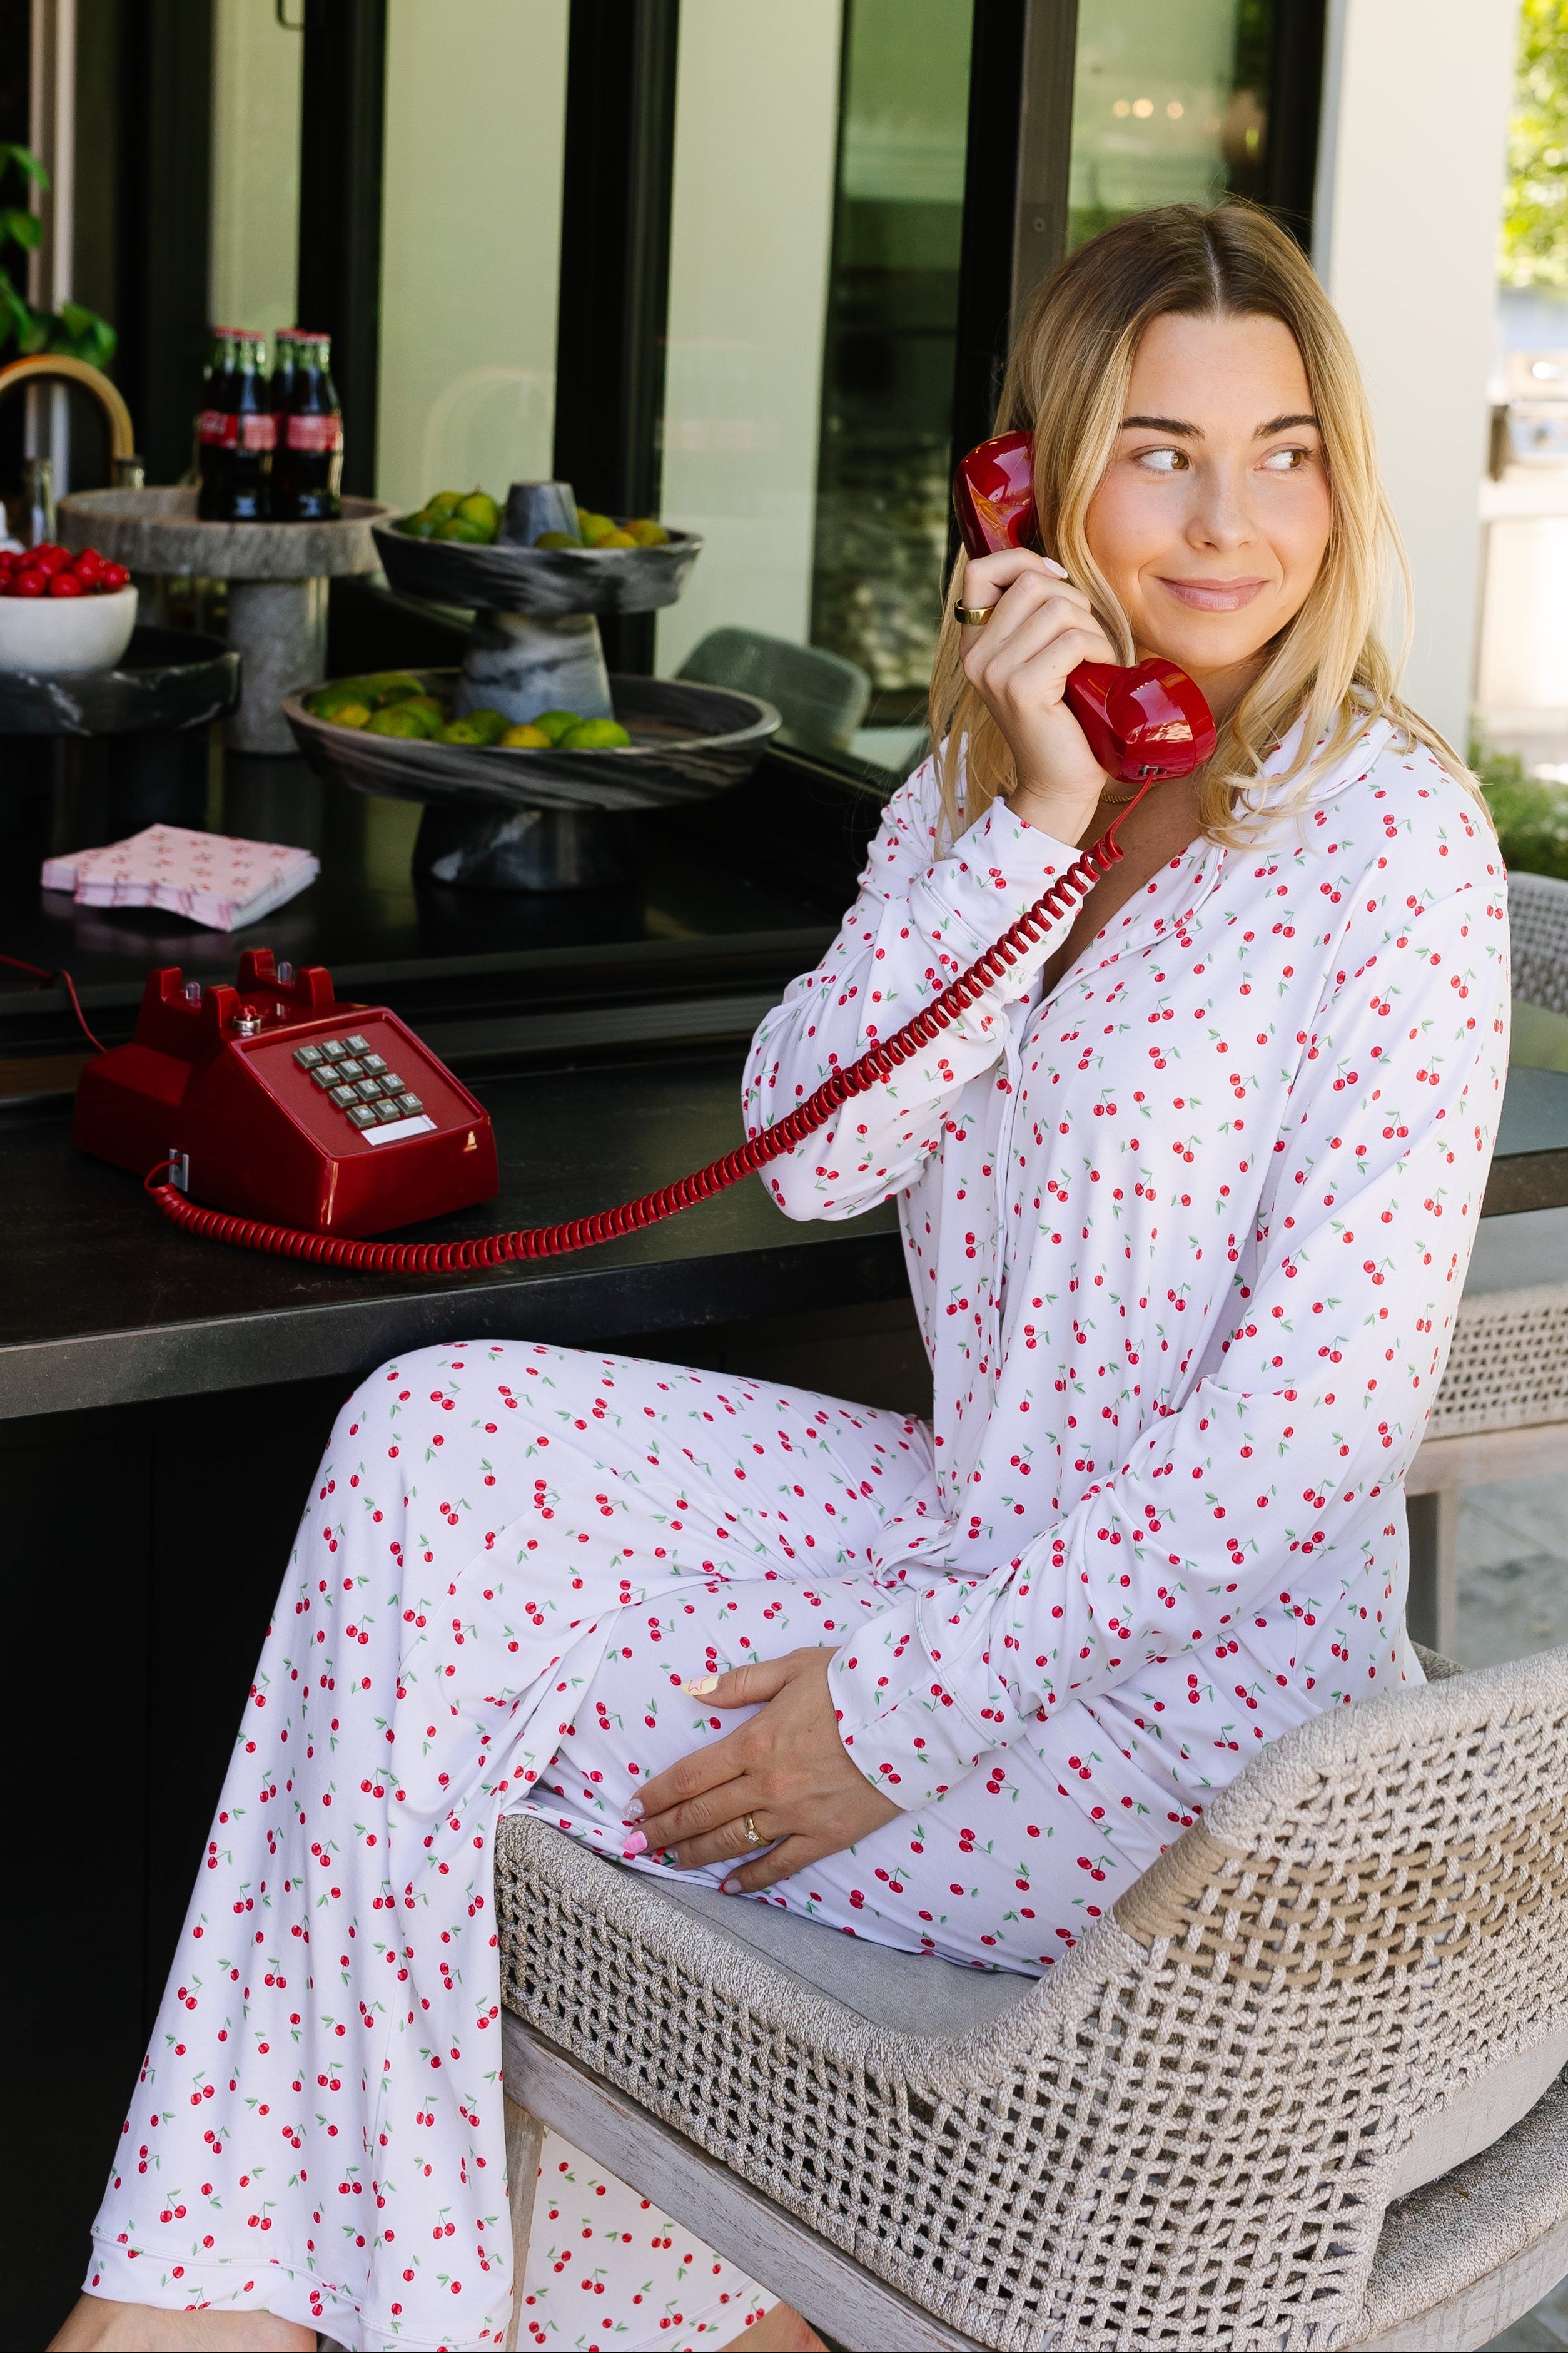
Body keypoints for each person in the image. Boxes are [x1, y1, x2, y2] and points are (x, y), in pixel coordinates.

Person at [53, 199, 1509, 2353]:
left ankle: (254, 2321)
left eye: (1285, 449)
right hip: (967, 1519)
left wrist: (895, 1713)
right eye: (1158, 451)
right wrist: (1029, 819)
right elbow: (821, 1151)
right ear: (1026, 484)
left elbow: (1305, 1447)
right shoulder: (1003, 782)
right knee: (426, 1439)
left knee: (442, 1731)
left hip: (1201, 1707)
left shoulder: (1392, 841)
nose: (1230, 522)